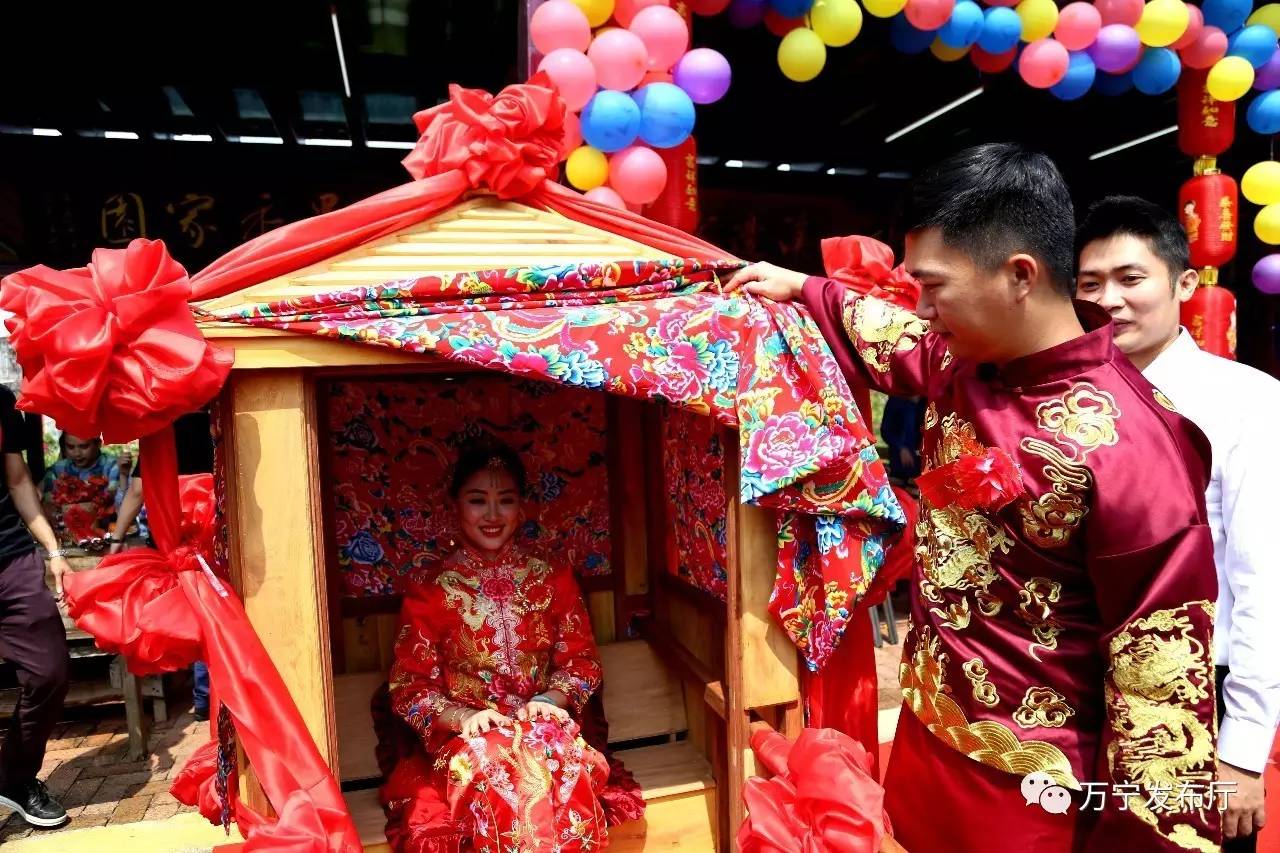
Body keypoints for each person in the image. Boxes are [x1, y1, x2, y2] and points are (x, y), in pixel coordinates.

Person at [727, 143, 1220, 852]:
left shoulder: (1136, 452)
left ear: (1020, 275)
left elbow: (1161, 701)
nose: (920, 310)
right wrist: (803, 288)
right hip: (926, 737)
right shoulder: (965, 358)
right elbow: (884, 333)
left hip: (1029, 793)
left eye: (933, 286)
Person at [1077, 195, 1280, 850]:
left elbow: (1264, 579)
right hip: (1085, 700)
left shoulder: (1245, 401)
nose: (1109, 299)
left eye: (1131, 278)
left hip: (1197, 697)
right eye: (1089, 283)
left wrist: (1244, 749)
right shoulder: (1069, 404)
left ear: (1184, 283)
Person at [378, 435, 635, 852]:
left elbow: (583, 664)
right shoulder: (430, 590)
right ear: (455, 505)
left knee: (562, 760)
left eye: (506, 500)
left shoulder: (552, 576)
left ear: (523, 507)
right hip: (467, 740)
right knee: (499, 765)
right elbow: (408, 689)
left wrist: (551, 700)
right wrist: (462, 717)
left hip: (544, 726)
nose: (493, 515)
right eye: (478, 500)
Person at [0, 387, 70, 827]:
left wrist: (53, 550)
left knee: (50, 672)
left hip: (12, 558)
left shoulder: (0, 403)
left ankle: (14, 777)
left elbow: (18, 478)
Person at [41, 433, 122, 545]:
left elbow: (114, 496)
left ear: (98, 444)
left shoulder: (112, 465)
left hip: (107, 528)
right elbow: (49, 500)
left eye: (84, 447)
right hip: (68, 531)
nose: (77, 453)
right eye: (70, 447)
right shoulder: (57, 469)